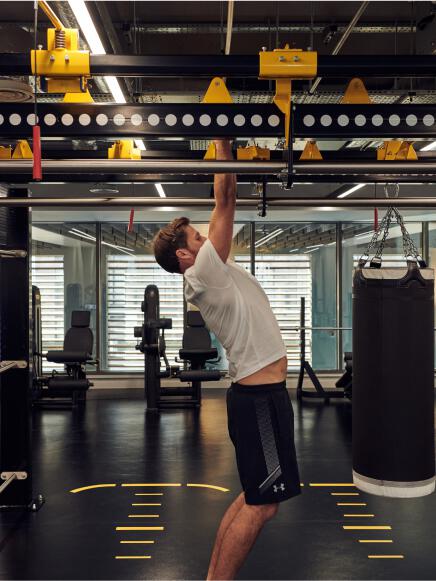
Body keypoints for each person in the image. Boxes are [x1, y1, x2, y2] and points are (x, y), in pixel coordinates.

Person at [153, 139, 301, 580]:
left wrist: (229, 151)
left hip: (260, 396)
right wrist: (222, 140)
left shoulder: (212, 272)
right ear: (184, 255)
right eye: (197, 238)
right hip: (260, 400)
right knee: (263, 505)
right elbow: (226, 200)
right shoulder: (203, 272)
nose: (206, 238)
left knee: (254, 497)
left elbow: (224, 201)